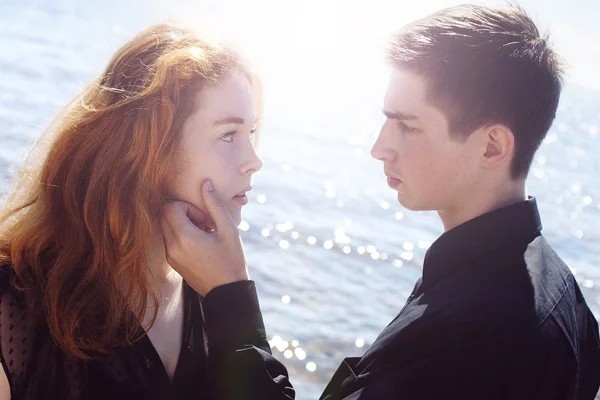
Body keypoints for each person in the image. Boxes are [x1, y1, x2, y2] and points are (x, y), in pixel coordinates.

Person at [161, 4, 600, 399]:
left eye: (407, 126)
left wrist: (228, 294)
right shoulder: (568, 299)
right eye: (386, 119)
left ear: (491, 147)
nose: (379, 147)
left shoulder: (472, 334)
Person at [0, 22, 268, 399]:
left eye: (251, 134)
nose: (254, 160)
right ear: (150, 151)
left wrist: (233, 294)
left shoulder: (214, 292)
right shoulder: (16, 304)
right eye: (228, 135)